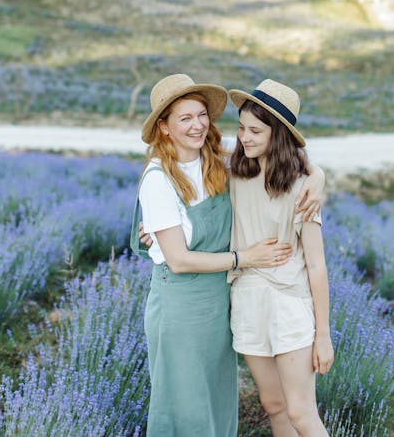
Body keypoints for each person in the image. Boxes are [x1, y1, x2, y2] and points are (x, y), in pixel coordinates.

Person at [131, 73, 325, 437]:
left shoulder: (215, 166)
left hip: (220, 305)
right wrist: (244, 258)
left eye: (201, 114)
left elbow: (282, 156)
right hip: (182, 308)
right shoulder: (159, 179)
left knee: (218, 405)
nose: (197, 125)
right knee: (185, 409)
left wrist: (318, 176)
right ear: (165, 127)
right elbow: (179, 260)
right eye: (184, 118)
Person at [228, 78, 334, 437]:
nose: (245, 137)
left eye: (256, 130)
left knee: (302, 414)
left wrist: (324, 336)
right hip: (246, 300)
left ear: (279, 134)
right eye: (241, 128)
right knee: (273, 405)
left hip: (289, 304)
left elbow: (317, 265)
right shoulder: (233, 174)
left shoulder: (303, 186)